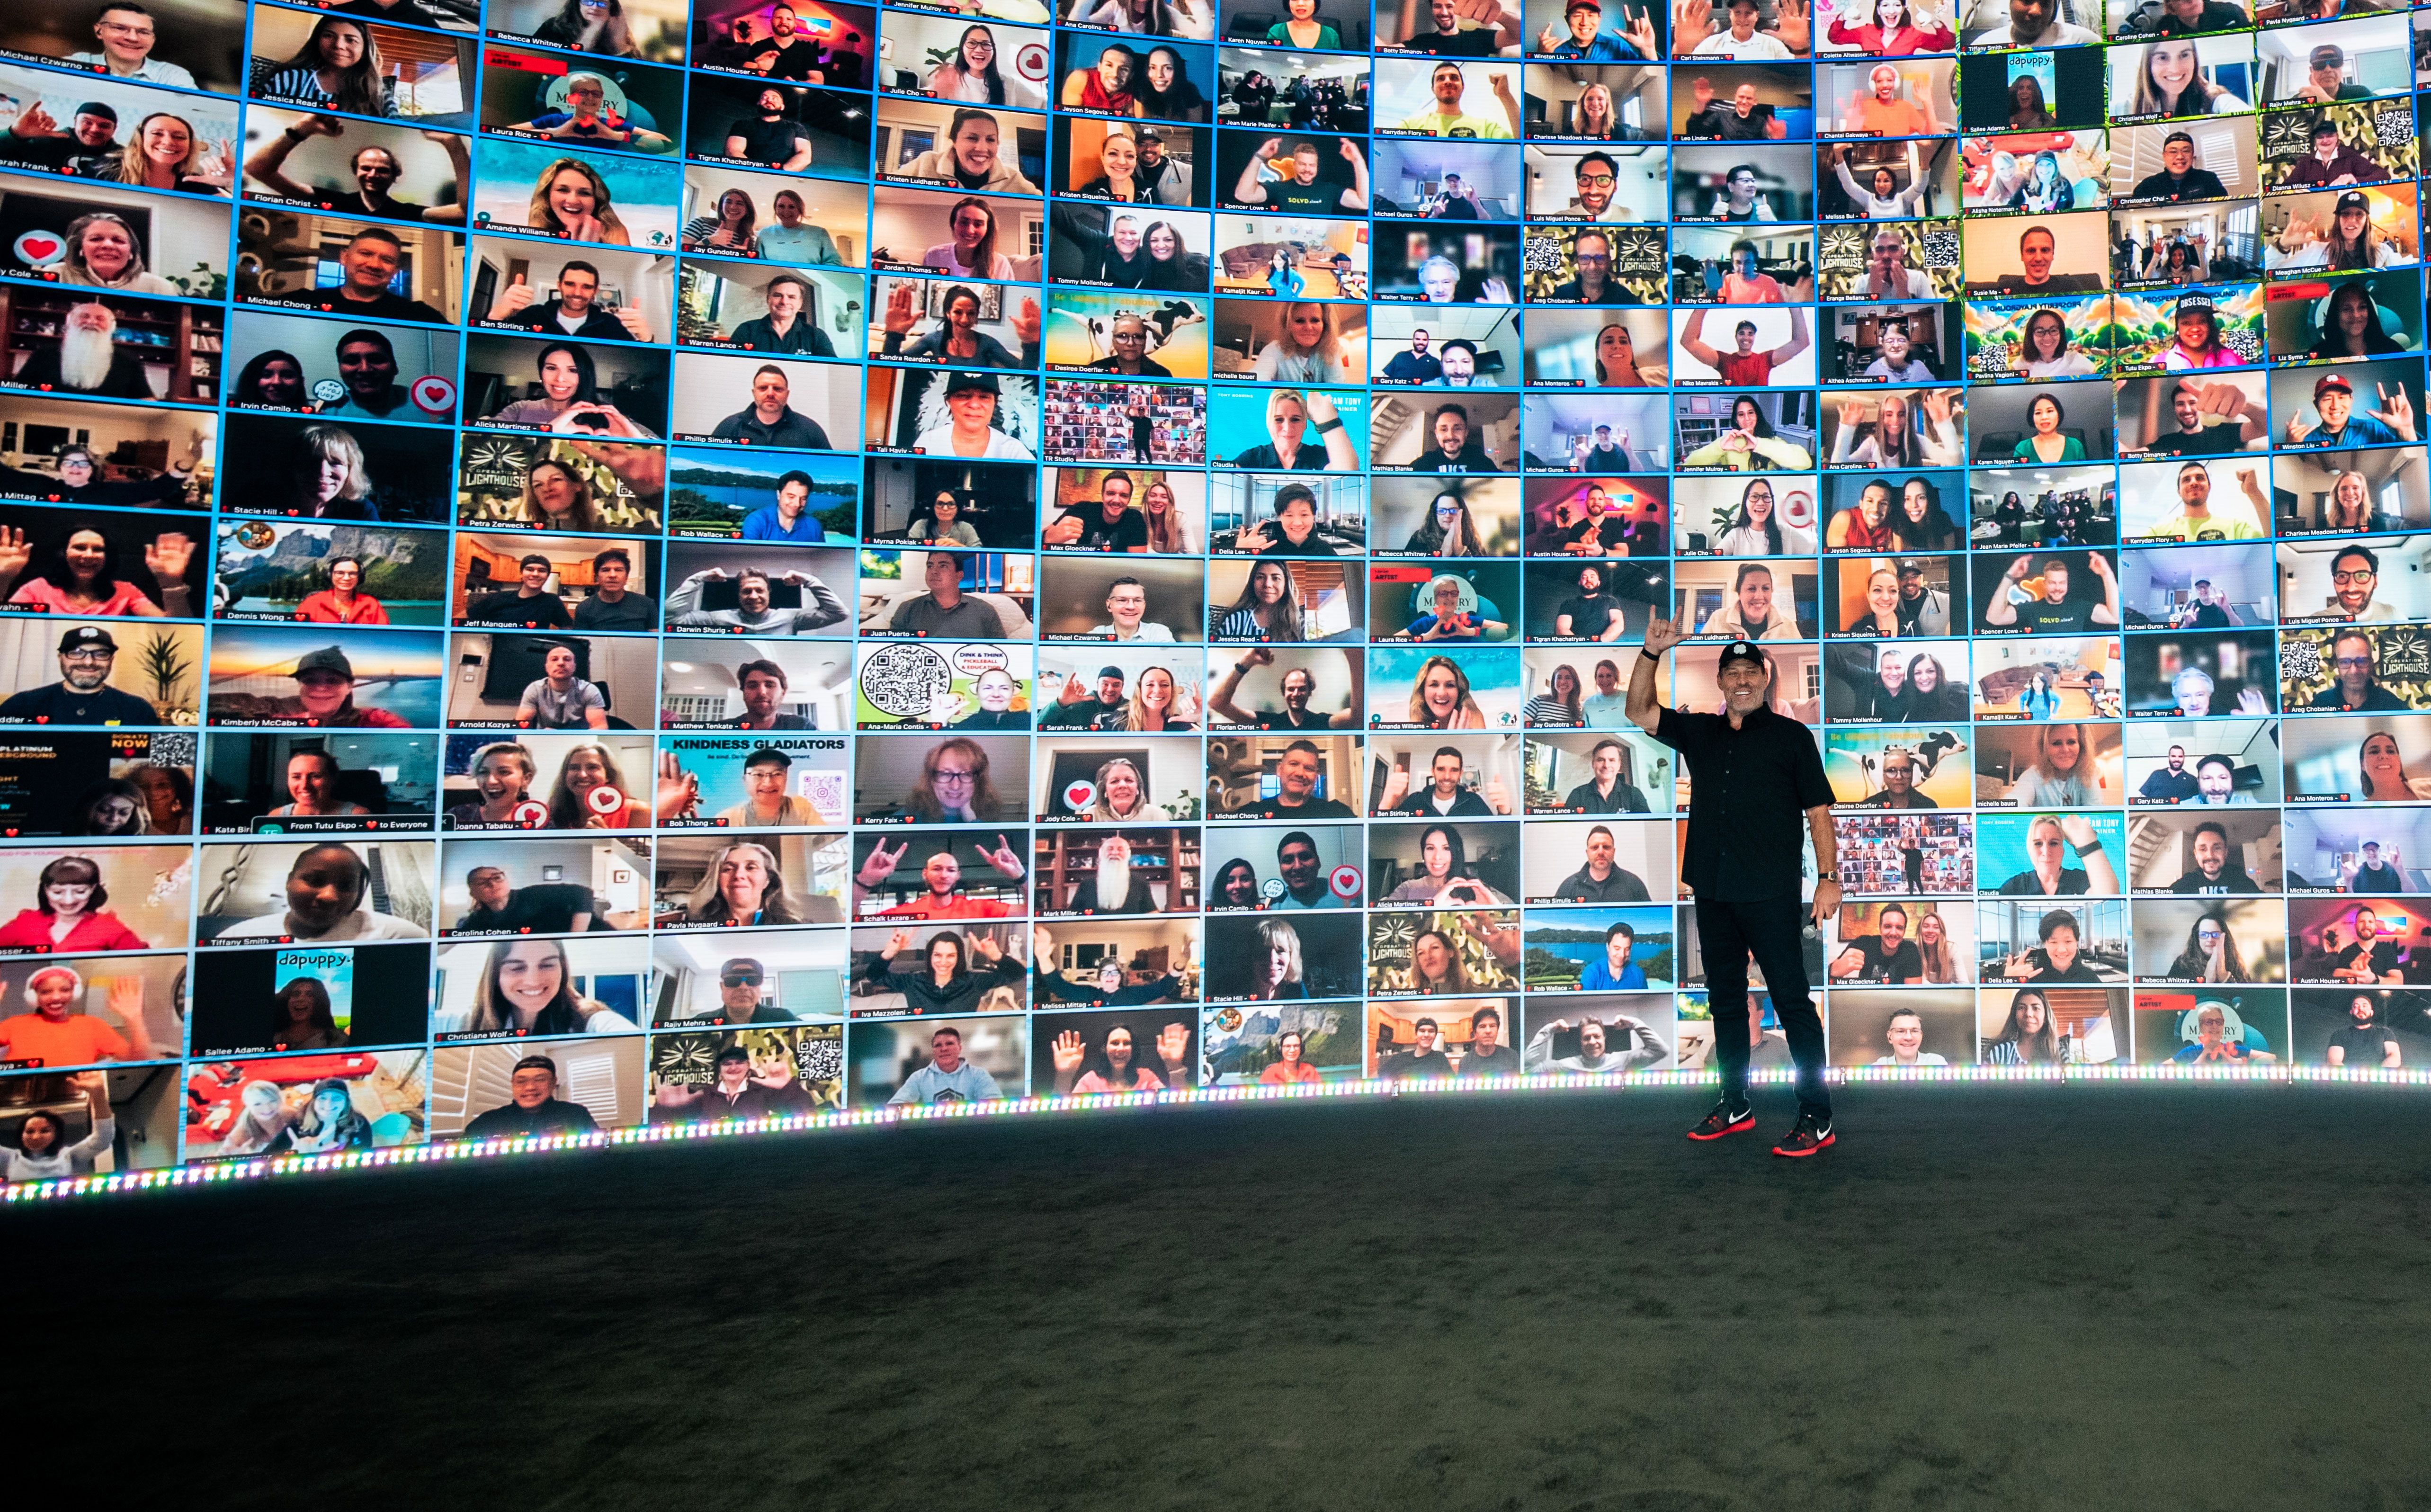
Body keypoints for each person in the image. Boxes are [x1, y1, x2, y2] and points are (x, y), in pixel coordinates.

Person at [1631, 623, 1837, 1154]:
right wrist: (1651, 652)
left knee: (1792, 1003)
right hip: (1714, 891)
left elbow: (1818, 812)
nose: (1742, 680)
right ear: (1721, 681)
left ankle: (1817, 1115)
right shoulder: (1699, 731)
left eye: (1751, 671)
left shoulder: (1793, 737)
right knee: (1724, 1000)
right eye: (1733, 672)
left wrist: (1829, 879)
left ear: (1765, 679)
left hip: (1771, 893)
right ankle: (1735, 1102)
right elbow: (1639, 711)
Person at [217, 842, 424, 942]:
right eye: (315, 881)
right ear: (289, 882)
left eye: (346, 886)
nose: (329, 896)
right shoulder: (237, 937)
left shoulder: (398, 935)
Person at [0, 963, 157, 1065]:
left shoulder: (92, 1025)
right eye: (46, 992)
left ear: (74, 993)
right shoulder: (15, 1024)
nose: (56, 997)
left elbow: (140, 1059)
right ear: (35, 997)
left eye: (65, 990)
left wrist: (135, 1019)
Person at [867, 928, 1025, 1013]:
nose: (943, 962)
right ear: (930, 956)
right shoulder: (912, 981)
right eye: (938, 955)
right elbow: (874, 976)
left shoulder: (974, 981)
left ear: (959, 958)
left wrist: (996, 955)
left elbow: (1017, 974)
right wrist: (889, 953)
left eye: (950, 956)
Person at [1, 1073, 121, 1181]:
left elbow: (103, 1139)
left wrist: (99, 1093)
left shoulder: (68, 1156)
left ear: (56, 1134)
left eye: (45, 1131)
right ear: (21, 1135)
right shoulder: (10, 1158)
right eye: (30, 1131)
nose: (36, 1137)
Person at [895, 108, 1040, 195]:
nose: (982, 148)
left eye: (990, 140)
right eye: (972, 138)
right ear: (954, 141)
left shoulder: (1014, 178)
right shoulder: (926, 163)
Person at [666, 565, 846, 635]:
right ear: (739, 594)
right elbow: (671, 619)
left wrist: (809, 580)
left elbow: (839, 613)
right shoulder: (716, 619)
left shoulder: (792, 618)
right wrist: (699, 578)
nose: (754, 597)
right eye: (747, 591)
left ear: (769, 592)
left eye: (759, 590)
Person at [460, 1055, 603, 1138]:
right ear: (513, 1084)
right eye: (521, 1081)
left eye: (540, 1080)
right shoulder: (486, 1122)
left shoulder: (576, 1114)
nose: (530, 1087)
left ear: (554, 1082)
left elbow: (598, 1155)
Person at [1983, 554, 2120, 634]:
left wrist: (2107, 574)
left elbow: (2115, 618)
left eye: (2062, 583)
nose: (2058, 588)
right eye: (2053, 583)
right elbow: (1994, 618)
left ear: (2067, 583)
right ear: (2044, 584)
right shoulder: (2031, 609)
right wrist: (2010, 576)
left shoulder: (2081, 607)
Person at [1231, 136, 1370, 213]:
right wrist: (1260, 156)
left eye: (1312, 165)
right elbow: (1243, 195)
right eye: (1303, 164)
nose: (1307, 169)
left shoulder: (1329, 190)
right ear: (1294, 165)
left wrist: (1357, 160)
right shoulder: (1279, 188)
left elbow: (1364, 203)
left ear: (1317, 167)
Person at [707, 365, 833, 449]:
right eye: (763, 388)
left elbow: (829, 469)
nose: (770, 394)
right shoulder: (729, 427)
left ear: (787, 394)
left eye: (777, 389)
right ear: (754, 393)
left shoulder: (811, 430)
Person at [1993, 814, 2119, 896]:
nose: (2046, 852)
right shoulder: (2016, 887)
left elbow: (2110, 897)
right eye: (2038, 844)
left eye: (2054, 843)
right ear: (2029, 850)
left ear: (2063, 850)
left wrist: (2084, 840)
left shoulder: (2078, 880)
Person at [1679, 307, 1809, 386]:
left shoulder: (1765, 360)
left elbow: (1801, 342)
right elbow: (1688, 342)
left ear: (1754, 337)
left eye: (1750, 334)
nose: (1746, 337)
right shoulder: (1723, 360)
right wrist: (1703, 306)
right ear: (1736, 337)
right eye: (1742, 333)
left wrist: (1795, 306)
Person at [1681, 394, 1816, 470]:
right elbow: (1688, 465)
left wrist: (1759, 445)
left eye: (1751, 413)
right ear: (1736, 420)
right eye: (1741, 414)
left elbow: (1805, 462)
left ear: (1757, 415)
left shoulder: (1771, 441)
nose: (1747, 419)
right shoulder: (1727, 442)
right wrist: (1719, 447)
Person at [1051, 1020, 1189, 1094]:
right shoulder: (1090, 1080)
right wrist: (1064, 1076)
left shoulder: (1147, 1077)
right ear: (1105, 1049)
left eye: (1127, 1043)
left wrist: (1174, 1066)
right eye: (1115, 1043)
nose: (1121, 1048)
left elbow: (1177, 1110)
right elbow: (1061, 1117)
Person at [2286, 372, 2416, 449]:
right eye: (2327, 399)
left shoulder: (2374, 429)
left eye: (2342, 398)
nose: (2335, 406)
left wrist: (2406, 429)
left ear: (2351, 401)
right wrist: (2291, 447)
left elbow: (2414, 453)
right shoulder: (2304, 439)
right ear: (2316, 405)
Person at [2140, 379, 2264, 457]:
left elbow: (2267, 426)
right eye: (2180, 404)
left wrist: (2243, 406)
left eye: (2192, 403)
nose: (2187, 410)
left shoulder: (2224, 433)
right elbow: (2134, 455)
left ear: (2201, 405)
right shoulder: (2166, 442)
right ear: (2175, 409)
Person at [1397, 60, 1518, 138]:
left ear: (1463, 87)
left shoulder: (1486, 127)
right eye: (1441, 79)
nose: (1448, 81)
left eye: (1454, 78)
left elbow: (1519, 142)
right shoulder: (1409, 126)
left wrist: (1506, 96)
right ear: (1433, 89)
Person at [1241, 738, 1358, 818]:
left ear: (1316, 776)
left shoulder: (1337, 812)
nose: (1300, 773)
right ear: (1280, 770)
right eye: (1294, 764)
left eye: (1309, 768)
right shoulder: (1252, 812)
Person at [889, 1025, 1007, 1104]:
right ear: (933, 1051)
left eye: (950, 1044)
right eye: (938, 1045)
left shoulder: (979, 1075)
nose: (944, 1049)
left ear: (960, 1048)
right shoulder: (918, 1078)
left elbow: (996, 1105)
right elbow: (896, 1106)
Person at [1698, 562, 1800, 641]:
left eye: (1766, 588)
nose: (1759, 596)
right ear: (1739, 593)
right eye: (1751, 589)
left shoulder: (1789, 626)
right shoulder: (1718, 619)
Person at [2311, 631, 2408, 712]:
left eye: (2361, 661)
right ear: (2337, 665)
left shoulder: (2390, 703)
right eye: (2345, 662)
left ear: (2371, 664)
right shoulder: (2321, 702)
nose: (2354, 671)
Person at [264, 750, 369, 822]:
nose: (305, 786)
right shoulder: (276, 816)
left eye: (316, 777)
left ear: (333, 779)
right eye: (297, 777)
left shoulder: (358, 816)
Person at [2281, 116, 2383, 189]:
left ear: (2337, 138)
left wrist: (2355, 180)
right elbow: (2286, 187)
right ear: (2315, 141)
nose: (2325, 140)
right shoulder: (2306, 162)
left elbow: (2383, 175)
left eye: (2330, 136)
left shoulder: (2350, 157)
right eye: (2320, 137)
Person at [2127, 131, 2228, 205]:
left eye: (2186, 151)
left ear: (2193, 155)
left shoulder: (2210, 179)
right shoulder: (2147, 186)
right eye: (2173, 152)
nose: (2180, 156)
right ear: (2164, 156)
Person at [1680, 0, 1805, 57]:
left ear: (1757, 16)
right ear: (1730, 14)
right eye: (1737, 12)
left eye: (1748, 13)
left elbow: (1803, 68)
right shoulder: (1711, 44)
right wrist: (1682, 49)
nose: (1742, 19)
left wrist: (1800, 47)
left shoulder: (1773, 45)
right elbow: (1682, 67)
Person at [1535, 0, 1657, 59]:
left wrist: (1648, 49)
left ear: (1599, 19)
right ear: (1567, 20)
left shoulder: (1618, 47)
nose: (1584, 22)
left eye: (1591, 15)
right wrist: (1541, 57)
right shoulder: (1554, 51)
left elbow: (1653, 70)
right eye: (1577, 15)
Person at [2170, 818, 2261, 895]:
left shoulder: (2242, 882)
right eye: (2203, 849)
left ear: (2225, 852)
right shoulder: (2185, 884)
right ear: (2196, 854)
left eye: (2217, 848)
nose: (2210, 855)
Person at [737, 471, 830, 543]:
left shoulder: (814, 526)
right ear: (779, 494)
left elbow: (821, 559)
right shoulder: (756, 521)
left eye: (803, 499)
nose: (797, 504)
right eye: (791, 497)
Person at [729, 659, 813, 731]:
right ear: (744, 693)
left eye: (770, 685)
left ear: (783, 693)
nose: (762, 692)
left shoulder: (803, 727)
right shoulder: (725, 729)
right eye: (753, 686)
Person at [2325, 994, 2401, 1069]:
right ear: (2351, 1012)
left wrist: (2377, 1075)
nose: (2361, 1009)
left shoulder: (2386, 1033)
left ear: (2371, 1012)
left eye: (2365, 1006)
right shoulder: (2339, 1034)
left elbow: (2394, 1057)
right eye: (2356, 1006)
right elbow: (2333, 1060)